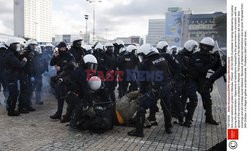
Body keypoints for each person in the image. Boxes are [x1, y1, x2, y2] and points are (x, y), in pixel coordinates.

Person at [128, 43, 173, 137]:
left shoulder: (145, 63)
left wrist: (142, 93)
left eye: (141, 55)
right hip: (167, 86)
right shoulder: (162, 58)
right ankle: (168, 127)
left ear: (145, 53)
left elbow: (142, 81)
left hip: (156, 89)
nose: (141, 57)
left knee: (141, 107)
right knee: (167, 107)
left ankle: (139, 131)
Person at [188, 37, 221, 126]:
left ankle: (209, 118)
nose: (207, 49)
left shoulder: (210, 56)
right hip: (193, 79)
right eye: (206, 47)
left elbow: (216, 69)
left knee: (207, 99)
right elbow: (202, 69)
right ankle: (187, 118)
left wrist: (219, 60)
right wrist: (215, 61)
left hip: (202, 80)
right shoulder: (195, 56)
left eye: (209, 48)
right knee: (193, 99)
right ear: (202, 46)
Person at [175, 40, 199, 127]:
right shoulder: (180, 55)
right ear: (189, 47)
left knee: (187, 100)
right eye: (193, 48)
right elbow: (181, 68)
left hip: (187, 81)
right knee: (181, 100)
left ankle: (186, 119)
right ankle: (180, 118)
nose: (194, 49)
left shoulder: (190, 55)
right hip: (181, 81)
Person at [50, 42, 75, 119]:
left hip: (67, 77)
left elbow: (72, 65)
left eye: (62, 48)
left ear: (65, 48)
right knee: (59, 96)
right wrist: (54, 57)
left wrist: (62, 68)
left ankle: (70, 113)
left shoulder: (69, 55)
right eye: (60, 48)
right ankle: (59, 113)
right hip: (59, 76)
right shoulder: (58, 55)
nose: (61, 49)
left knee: (67, 97)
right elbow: (51, 63)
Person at [3, 38, 28, 116]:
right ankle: (11, 111)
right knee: (14, 93)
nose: (16, 46)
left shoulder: (10, 53)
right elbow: (19, 65)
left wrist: (19, 54)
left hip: (10, 75)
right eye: (15, 45)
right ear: (11, 45)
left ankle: (10, 108)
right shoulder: (10, 55)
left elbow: (15, 57)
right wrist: (24, 60)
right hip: (11, 76)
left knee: (13, 93)